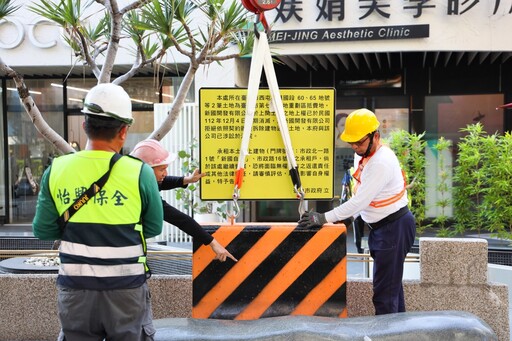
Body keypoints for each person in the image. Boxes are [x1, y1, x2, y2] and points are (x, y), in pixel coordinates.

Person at [32, 83, 163, 340]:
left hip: (76, 291)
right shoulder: (140, 172)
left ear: (84, 126)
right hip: (126, 291)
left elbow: (43, 229)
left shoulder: (56, 169)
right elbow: (153, 227)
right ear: (124, 131)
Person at [298, 108, 416, 315]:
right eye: (351, 142)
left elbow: (360, 201)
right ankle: (399, 334)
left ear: (375, 136)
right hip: (385, 228)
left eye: (359, 142)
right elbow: (361, 193)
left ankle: (387, 337)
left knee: (384, 294)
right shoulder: (363, 155)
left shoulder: (381, 162)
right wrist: (350, 217)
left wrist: (324, 217)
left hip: (393, 228)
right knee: (392, 289)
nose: (355, 147)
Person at [130, 139, 237, 263]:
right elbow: (180, 219)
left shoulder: (132, 180)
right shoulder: (140, 193)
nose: (165, 173)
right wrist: (213, 243)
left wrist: (187, 180)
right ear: (145, 170)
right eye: (161, 170)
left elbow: (160, 182)